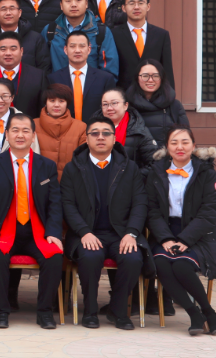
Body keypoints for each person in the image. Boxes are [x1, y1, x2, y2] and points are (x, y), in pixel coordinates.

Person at [60, 117, 146, 330]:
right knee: (90, 257)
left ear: (114, 139)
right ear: (87, 139)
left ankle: (118, 311)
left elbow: (140, 204)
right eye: (95, 133)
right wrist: (83, 232)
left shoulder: (129, 167)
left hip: (120, 234)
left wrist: (131, 233)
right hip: (86, 233)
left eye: (106, 133)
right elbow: (67, 205)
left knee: (133, 258)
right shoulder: (73, 168)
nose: (101, 137)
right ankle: (90, 312)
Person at [0, 114, 64, 330]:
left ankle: (45, 312)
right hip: (5, 230)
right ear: (7, 134)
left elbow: (55, 203)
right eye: (15, 130)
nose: (20, 135)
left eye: (26, 130)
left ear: (33, 136)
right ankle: (0, 311)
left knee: (54, 255)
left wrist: (53, 232)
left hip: (37, 231)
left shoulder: (46, 166)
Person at [146, 126, 216, 336]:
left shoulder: (206, 172)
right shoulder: (156, 172)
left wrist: (185, 239)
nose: (179, 147)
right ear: (167, 147)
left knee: (182, 265)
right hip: (165, 231)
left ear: (193, 146)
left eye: (185, 142)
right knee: (162, 264)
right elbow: (152, 210)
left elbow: (211, 210)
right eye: (174, 143)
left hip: (197, 233)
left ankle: (208, 312)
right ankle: (195, 314)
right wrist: (164, 238)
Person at [45, 0, 119, 77]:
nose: (73, 4)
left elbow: (109, 68)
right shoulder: (50, 31)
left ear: (86, 3)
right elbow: (44, 65)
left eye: (78, 0)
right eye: (68, 1)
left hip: (92, 85)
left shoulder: (100, 31)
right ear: (61, 5)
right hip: (58, 85)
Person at [48, 31, 118, 123]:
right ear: (65, 50)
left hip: (95, 129)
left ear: (89, 49)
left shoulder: (105, 79)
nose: (77, 50)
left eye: (82, 46)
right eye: (72, 46)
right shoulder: (53, 79)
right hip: (63, 129)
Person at [113, 0, 174, 89]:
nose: (136, 7)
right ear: (123, 8)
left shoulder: (161, 35)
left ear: (148, 6)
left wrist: (169, 95)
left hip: (153, 93)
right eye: (131, 3)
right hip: (124, 93)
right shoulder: (113, 34)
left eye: (141, 3)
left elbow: (167, 69)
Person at [0, 31, 49, 118]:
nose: (8, 53)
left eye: (13, 49)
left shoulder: (38, 76)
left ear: (21, 51)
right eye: (3, 49)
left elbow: (43, 109)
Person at [0, 0, 51, 72]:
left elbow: (44, 68)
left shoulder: (36, 38)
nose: (8, 13)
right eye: (3, 9)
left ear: (19, 12)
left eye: (12, 8)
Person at [129, 59, 188, 146]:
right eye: (145, 76)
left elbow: (185, 137)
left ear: (162, 78)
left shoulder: (174, 105)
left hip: (166, 154)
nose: (150, 80)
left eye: (156, 76)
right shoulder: (127, 106)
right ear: (137, 78)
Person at [96, 88, 159, 169]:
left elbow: (155, 164)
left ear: (125, 105)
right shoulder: (93, 128)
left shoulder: (137, 129)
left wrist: (135, 175)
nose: (109, 108)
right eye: (105, 104)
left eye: (114, 103)